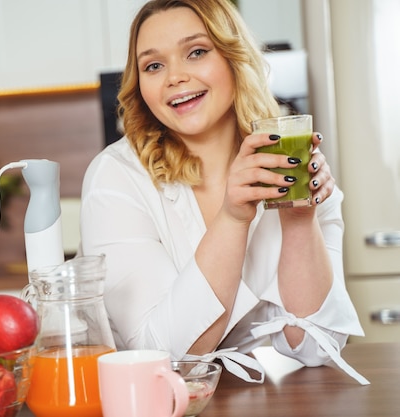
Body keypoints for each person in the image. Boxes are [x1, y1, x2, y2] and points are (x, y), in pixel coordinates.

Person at [79, 0, 367, 384]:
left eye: (196, 52)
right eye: (153, 65)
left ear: (234, 58)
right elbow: (163, 359)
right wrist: (233, 218)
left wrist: (300, 220)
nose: (174, 77)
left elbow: (317, 347)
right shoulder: (116, 178)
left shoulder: (289, 161)